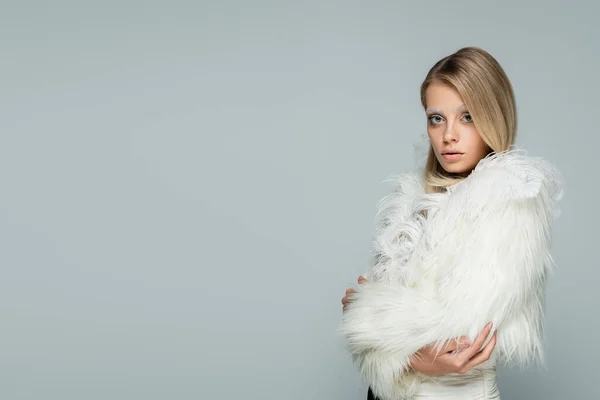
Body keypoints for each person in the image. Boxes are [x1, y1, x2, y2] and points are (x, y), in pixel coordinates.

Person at [338, 46, 564, 400]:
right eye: (436, 118)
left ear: (494, 116)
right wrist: (381, 320)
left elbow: (460, 339)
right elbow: (395, 325)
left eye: (468, 116)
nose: (449, 135)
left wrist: (369, 311)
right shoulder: (414, 203)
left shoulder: (513, 200)